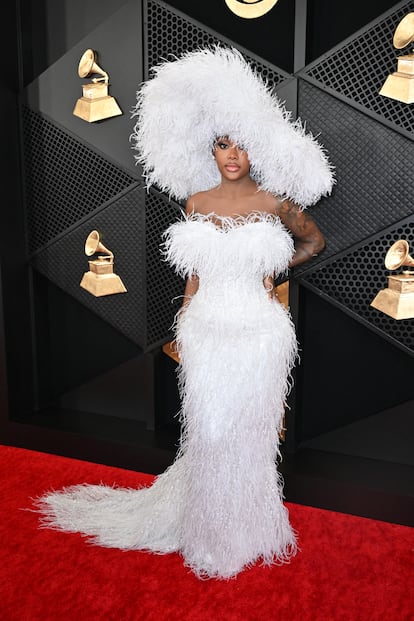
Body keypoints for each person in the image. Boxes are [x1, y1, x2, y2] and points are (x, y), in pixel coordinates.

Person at [34, 47, 334, 580]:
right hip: (206, 332)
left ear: (252, 149)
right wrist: (184, 327)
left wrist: (272, 270)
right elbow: (192, 273)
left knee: (251, 433)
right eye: (222, 144)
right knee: (211, 432)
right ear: (212, 151)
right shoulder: (196, 203)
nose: (231, 154)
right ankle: (209, 529)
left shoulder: (273, 203)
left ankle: (249, 528)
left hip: (260, 334)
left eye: (239, 144)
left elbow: (314, 240)